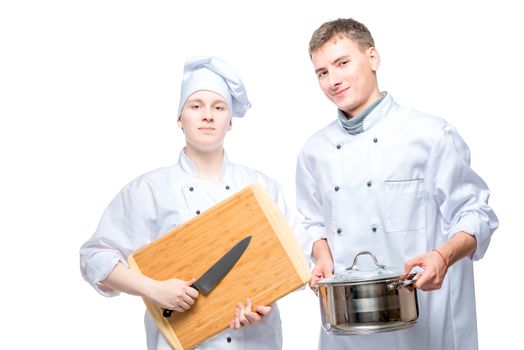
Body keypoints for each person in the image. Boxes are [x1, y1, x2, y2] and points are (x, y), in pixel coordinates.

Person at [296, 18, 498, 350]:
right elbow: (312, 222)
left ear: (372, 58)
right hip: (348, 328)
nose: (333, 80)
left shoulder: (430, 135)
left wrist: (443, 256)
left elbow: (477, 213)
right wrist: (321, 256)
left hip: (423, 323)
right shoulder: (313, 152)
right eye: (322, 72)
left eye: (342, 63)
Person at [80, 56, 289, 349]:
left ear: (230, 122)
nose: (208, 115)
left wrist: (263, 303)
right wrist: (154, 290)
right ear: (180, 118)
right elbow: (94, 257)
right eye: (196, 106)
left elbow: (288, 261)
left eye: (218, 107)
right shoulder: (149, 190)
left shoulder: (262, 187)